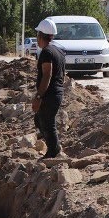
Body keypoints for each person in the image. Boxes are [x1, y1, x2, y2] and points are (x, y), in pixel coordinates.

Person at [32, 17, 67, 160]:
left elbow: (47, 75)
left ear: (41, 35)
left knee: (48, 122)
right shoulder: (58, 51)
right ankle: (53, 147)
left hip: (50, 94)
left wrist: (39, 96)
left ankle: (54, 152)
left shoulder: (47, 52)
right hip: (57, 92)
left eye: (37, 34)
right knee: (39, 119)